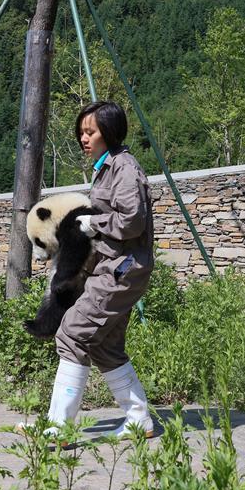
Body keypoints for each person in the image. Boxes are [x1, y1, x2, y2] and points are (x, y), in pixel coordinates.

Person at [44, 100, 155, 439]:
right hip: (113, 267)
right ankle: (140, 420)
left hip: (122, 269)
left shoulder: (124, 168)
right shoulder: (106, 168)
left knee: (74, 332)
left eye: (90, 131)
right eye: (81, 132)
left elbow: (132, 221)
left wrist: (96, 222)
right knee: (104, 346)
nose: (84, 137)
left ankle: (59, 428)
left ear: (109, 131)